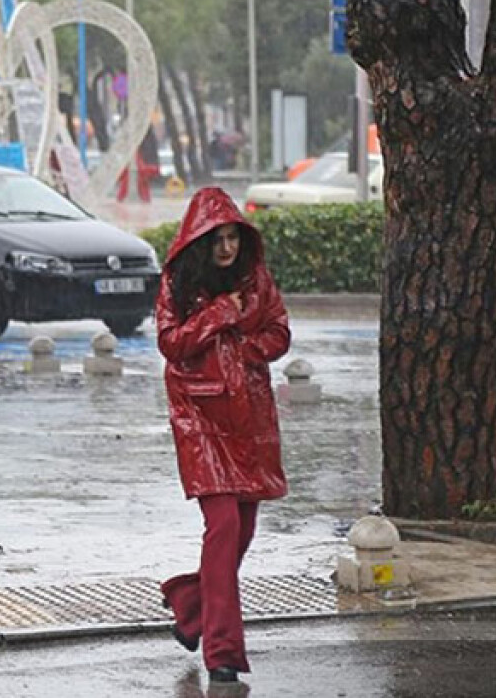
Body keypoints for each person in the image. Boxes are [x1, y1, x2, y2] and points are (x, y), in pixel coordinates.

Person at [155, 187, 291, 685]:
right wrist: (219, 315)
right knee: (224, 528)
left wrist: (251, 350)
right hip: (200, 419)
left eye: (234, 237)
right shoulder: (177, 284)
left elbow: (279, 331)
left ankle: (192, 609)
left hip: (249, 419)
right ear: (200, 240)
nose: (228, 248)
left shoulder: (256, 280)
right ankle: (223, 652)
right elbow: (171, 344)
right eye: (219, 238)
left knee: (243, 532)